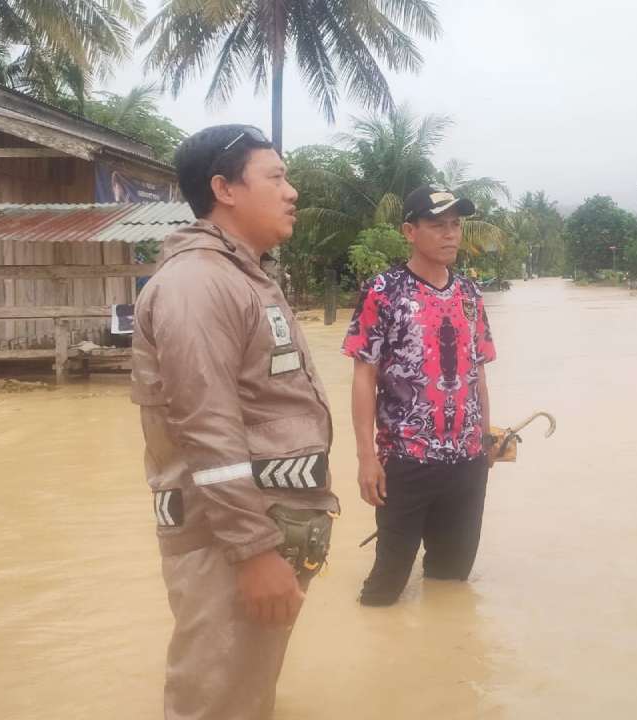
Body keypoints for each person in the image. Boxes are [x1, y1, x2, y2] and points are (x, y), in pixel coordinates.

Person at [131, 124, 339, 720]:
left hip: (264, 530)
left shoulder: (241, 274)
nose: (291, 191)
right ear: (224, 188)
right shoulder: (199, 283)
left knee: (244, 694)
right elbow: (207, 430)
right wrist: (252, 553)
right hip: (231, 543)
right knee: (217, 702)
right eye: (275, 177)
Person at [343, 185, 497, 607]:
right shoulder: (383, 290)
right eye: (437, 225)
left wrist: (486, 438)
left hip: (467, 463)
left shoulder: (470, 293)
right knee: (385, 587)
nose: (449, 234)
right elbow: (363, 376)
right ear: (409, 231)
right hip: (406, 461)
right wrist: (365, 458)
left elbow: (477, 371)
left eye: (455, 225)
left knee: (451, 582)